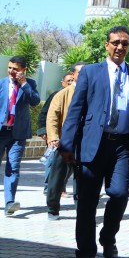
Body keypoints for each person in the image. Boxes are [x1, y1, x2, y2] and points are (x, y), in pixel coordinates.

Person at [59, 26, 129, 258]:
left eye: (125, 43)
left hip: (121, 145)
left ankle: (108, 237)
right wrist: (67, 144)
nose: (120, 47)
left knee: (119, 193)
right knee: (87, 202)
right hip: (93, 145)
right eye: (116, 42)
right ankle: (86, 250)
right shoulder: (91, 72)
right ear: (107, 45)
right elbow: (75, 110)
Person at [1, 55, 41, 216]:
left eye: (15, 69)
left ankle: (9, 202)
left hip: (17, 134)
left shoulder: (29, 84)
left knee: (14, 167)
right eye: (10, 67)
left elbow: (35, 101)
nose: (11, 71)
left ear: (23, 70)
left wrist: (24, 83)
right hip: (1, 131)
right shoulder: (1, 84)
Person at [45, 62, 86, 220]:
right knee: (57, 177)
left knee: (83, 178)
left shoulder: (93, 92)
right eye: (80, 73)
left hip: (85, 144)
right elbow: (52, 117)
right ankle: (52, 208)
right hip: (65, 142)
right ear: (73, 74)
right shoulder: (63, 94)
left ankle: (81, 210)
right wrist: (54, 137)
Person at [37, 66, 79, 195]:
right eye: (68, 82)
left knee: (72, 169)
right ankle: (50, 190)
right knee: (54, 165)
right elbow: (48, 114)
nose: (70, 84)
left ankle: (64, 190)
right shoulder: (59, 95)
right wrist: (47, 133)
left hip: (79, 142)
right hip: (60, 140)